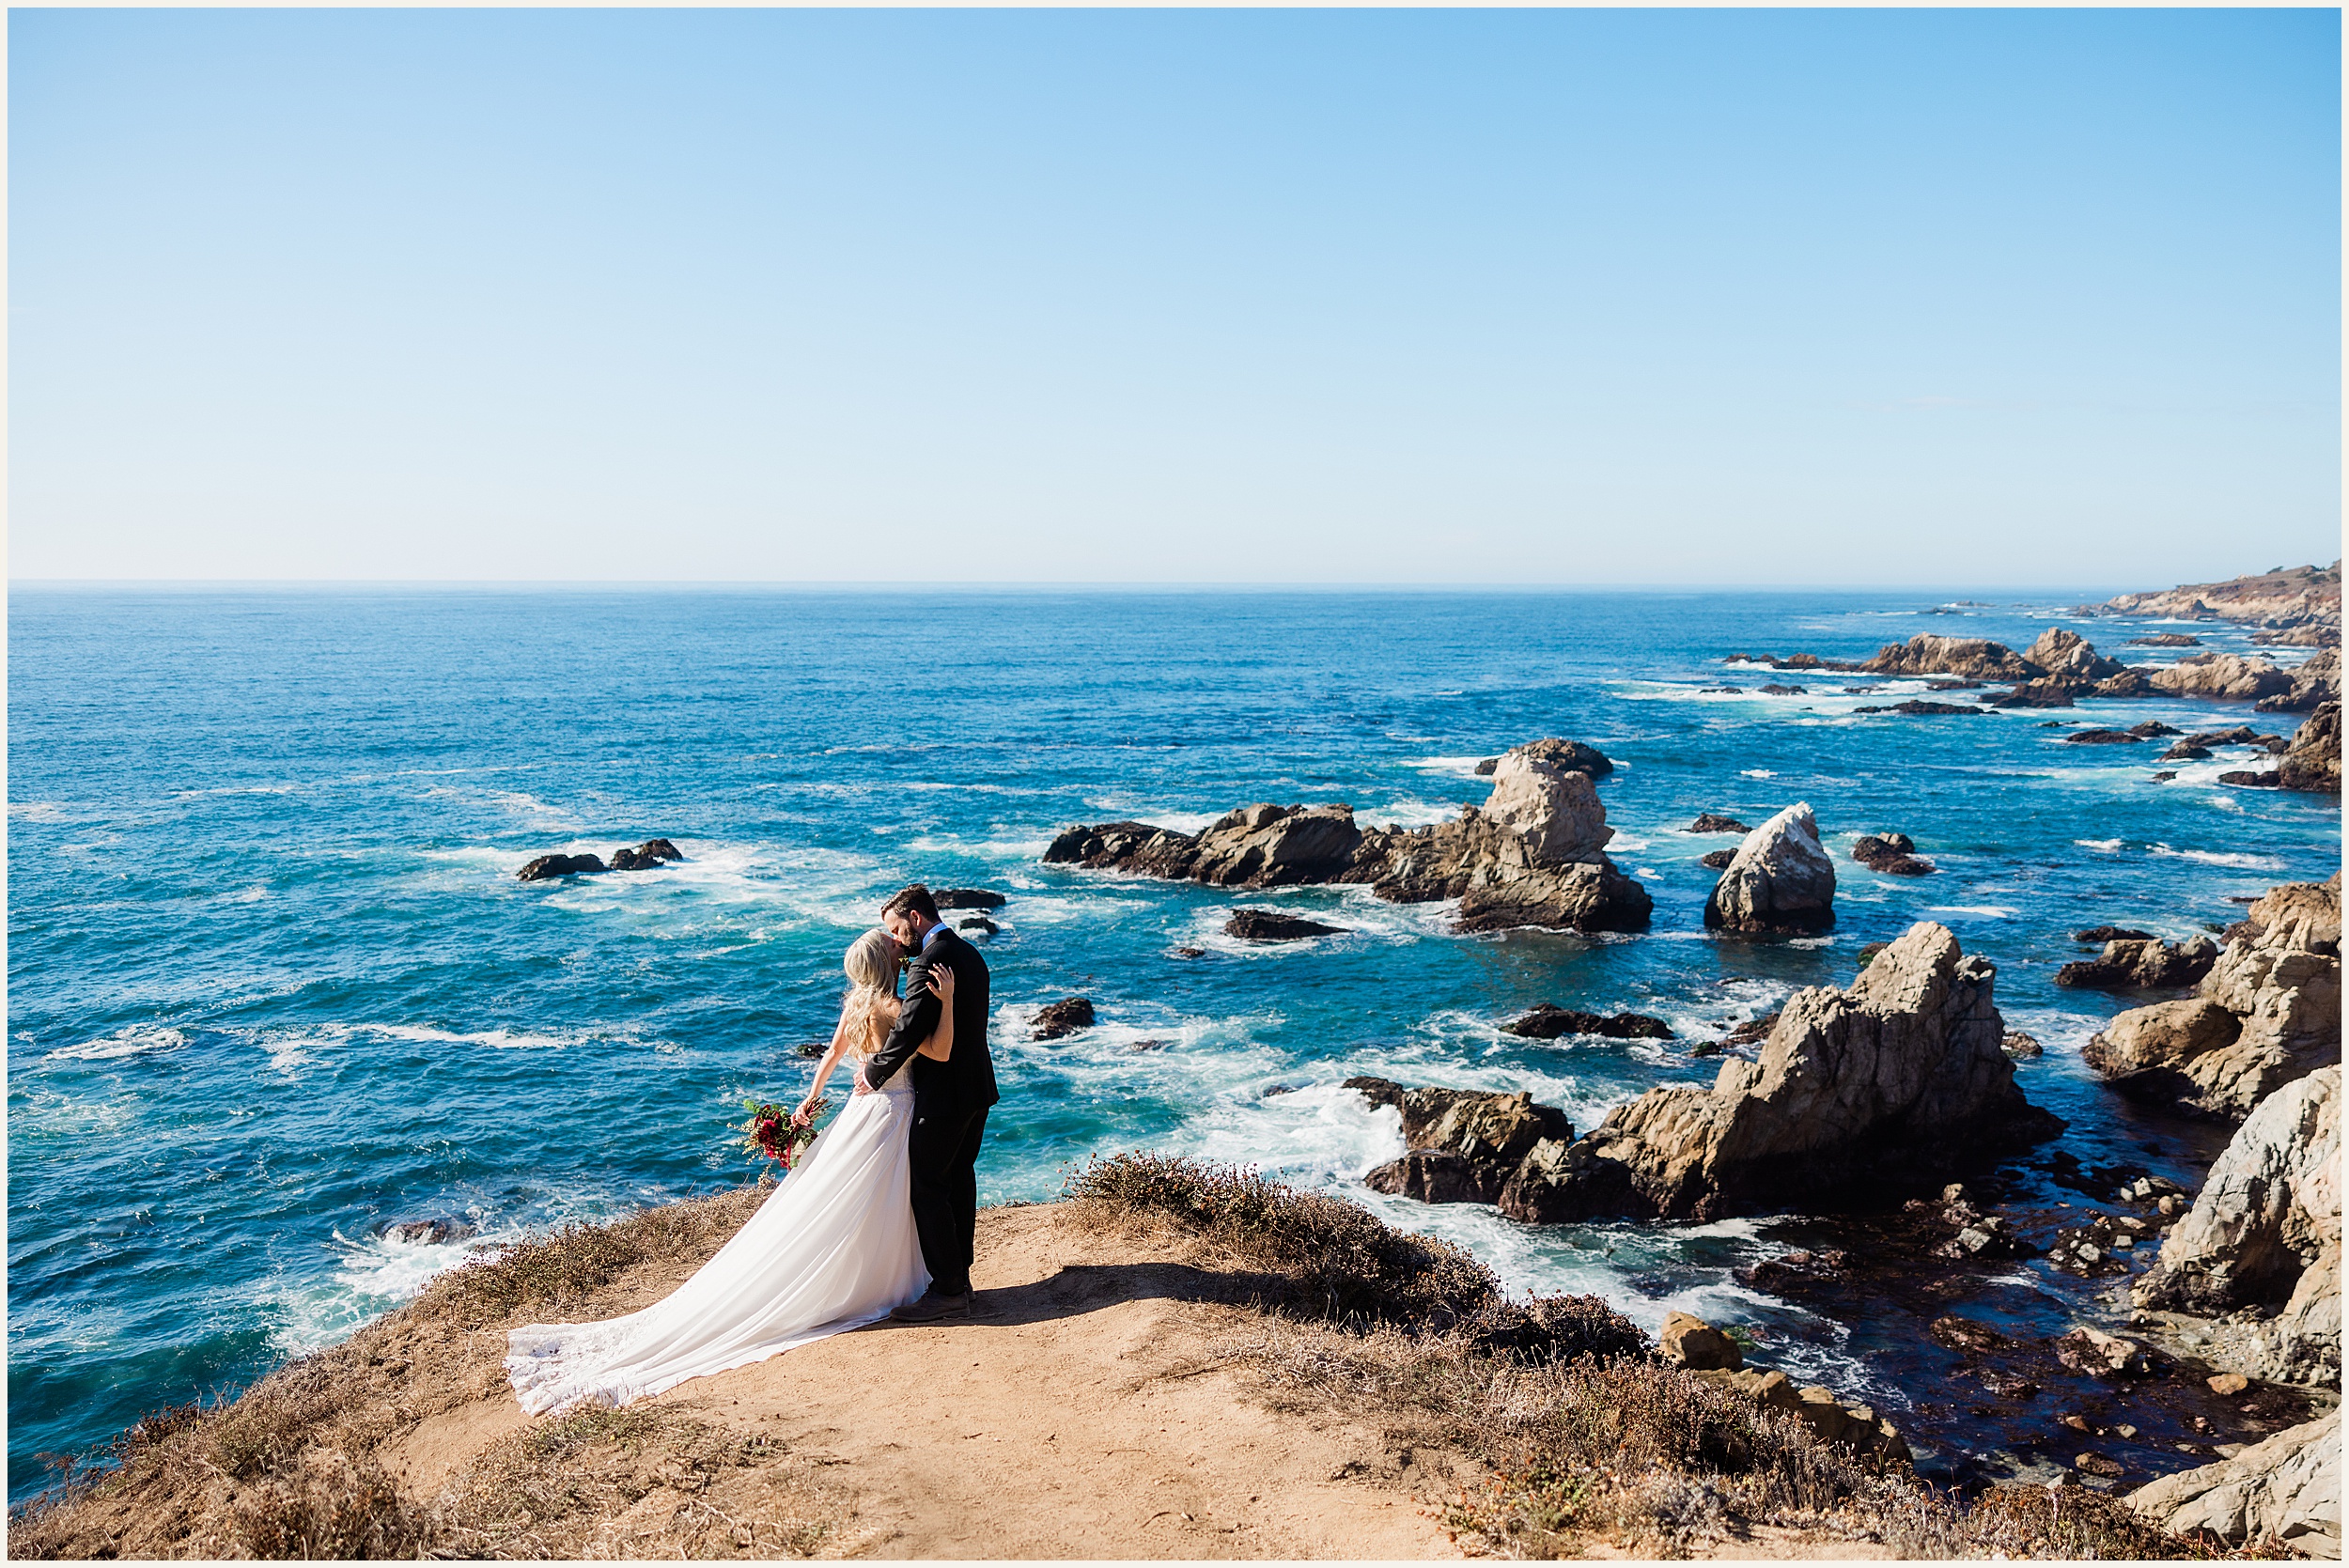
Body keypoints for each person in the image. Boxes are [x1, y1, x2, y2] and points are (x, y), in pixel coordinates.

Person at [503, 924, 957, 1415]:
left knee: (844, 1200)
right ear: (887, 966)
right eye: (891, 947)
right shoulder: (894, 1010)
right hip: (892, 1114)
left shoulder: (853, 1008)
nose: (898, 948)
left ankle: (861, 1277)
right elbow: (941, 1051)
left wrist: (809, 1097)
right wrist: (947, 1002)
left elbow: (831, 1055)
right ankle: (878, 1282)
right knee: (880, 1199)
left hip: (858, 1113)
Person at [860, 882, 997, 1322]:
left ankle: (949, 1290)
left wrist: (873, 1072)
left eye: (898, 930)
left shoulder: (928, 962)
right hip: (977, 1089)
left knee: (928, 1186)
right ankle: (962, 1278)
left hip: (944, 1096)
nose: (898, 942)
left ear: (915, 919)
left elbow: (910, 1030)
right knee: (959, 1179)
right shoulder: (971, 954)